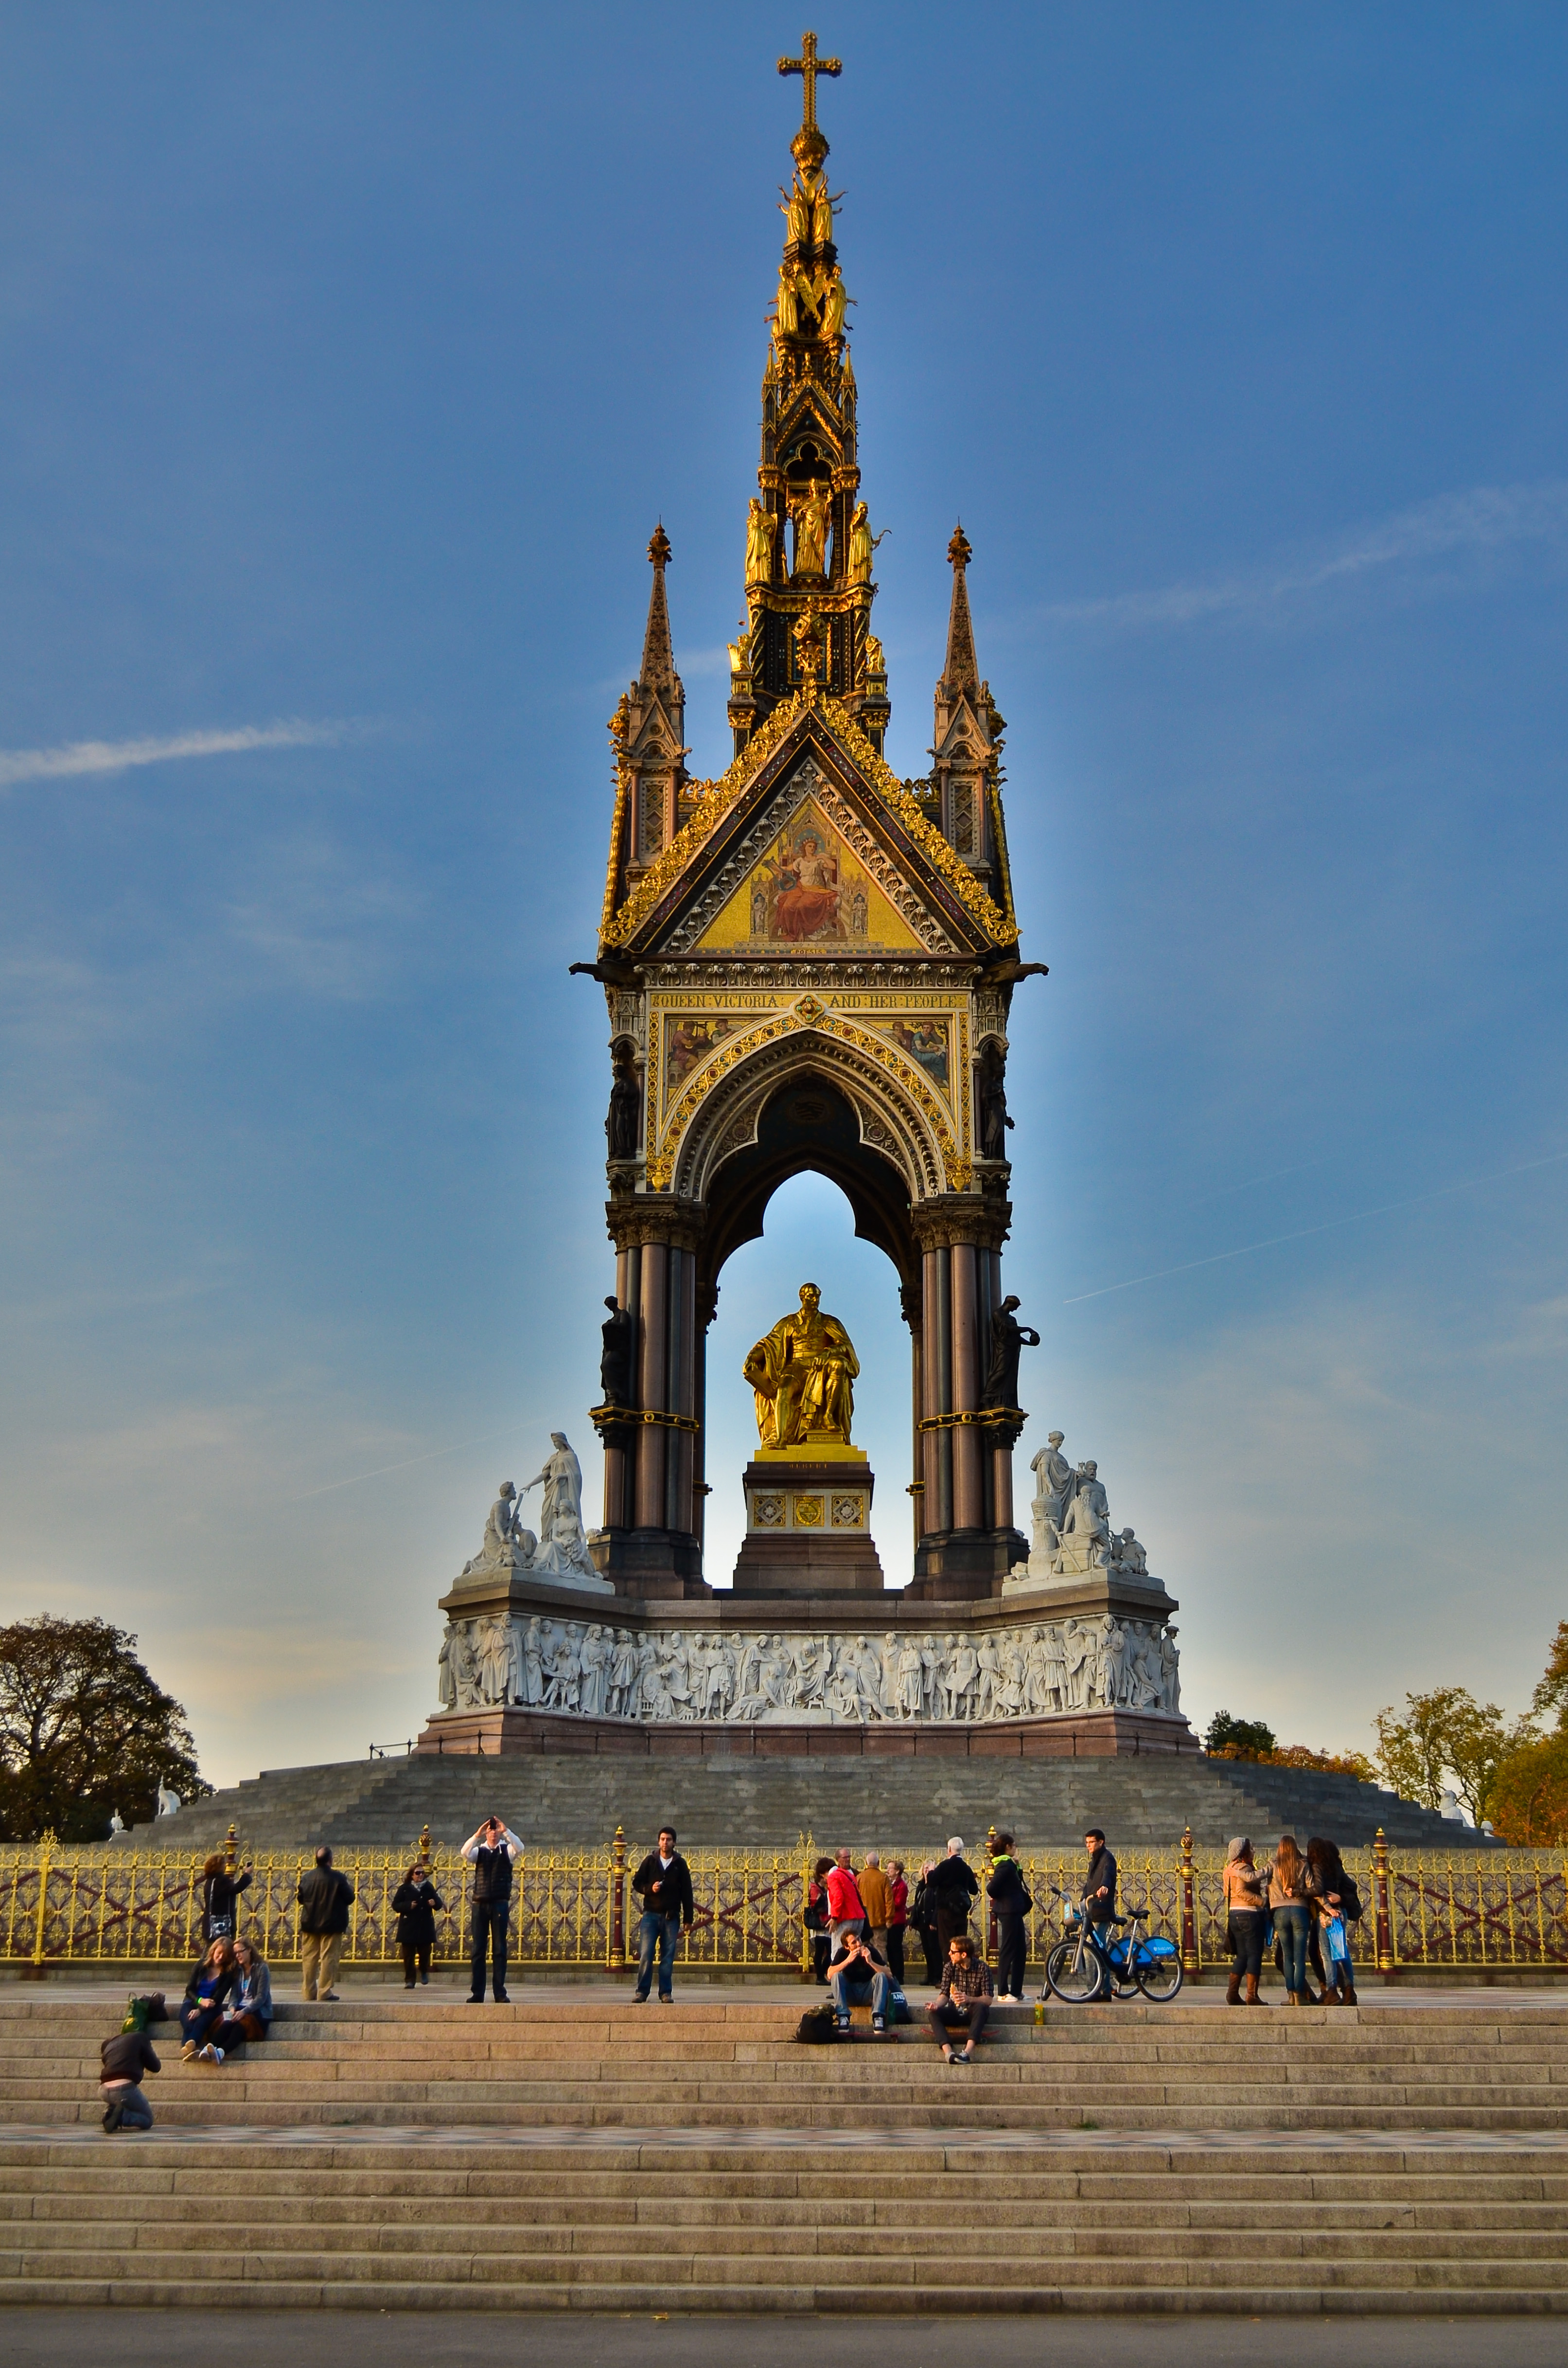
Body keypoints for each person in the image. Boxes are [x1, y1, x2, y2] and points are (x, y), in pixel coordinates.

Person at [631, 1824, 695, 2003]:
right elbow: (637, 1882)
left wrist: (688, 1918)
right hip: (651, 1914)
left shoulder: (679, 1864)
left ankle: (665, 1992)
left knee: (667, 1957)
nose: (665, 1843)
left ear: (674, 1842)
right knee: (646, 1954)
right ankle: (642, 1991)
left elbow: (687, 1892)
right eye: (662, 1839)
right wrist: (649, 1889)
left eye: (668, 1840)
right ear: (659, 1841)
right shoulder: (650, 1861)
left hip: (671, 1916)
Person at [461, 1816, 520, 2004]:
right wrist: (477, 1834)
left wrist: (506, 1831)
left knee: (499, 1950)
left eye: (495, 1831)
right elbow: (465, 1852)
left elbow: (520, 1847)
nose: (493, 1834)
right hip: (480, 1903)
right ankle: (477, 1992)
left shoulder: (506, 1850)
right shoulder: (479, 1852)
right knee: (478, 1950)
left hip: (499, 1903)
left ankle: (499, 1992)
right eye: (490, 1831)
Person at [198, 1937, 273, 2064]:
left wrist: (244, 2012)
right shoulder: (237, 1970)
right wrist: (232, 2008)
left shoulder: (262, 1968)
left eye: (240, 1951)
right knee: (226, 2021)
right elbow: (234, 1995)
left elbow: (261, 1997)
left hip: (258, 2011)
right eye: (235, 1953)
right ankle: (207, 2049)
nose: (238, 1955)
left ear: (249, 1950)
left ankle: (220, 2053)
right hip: (239, 2008)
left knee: (241, 2026)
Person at [297, 1845, 355, 2002]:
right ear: (331, 1860)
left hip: (310, 1923)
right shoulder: (338, 1878)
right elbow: (350, 1898)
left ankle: (308, 1991)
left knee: (309, 1958)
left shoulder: (307, 1877)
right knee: (329, 1957)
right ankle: (324, 1991)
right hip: (332, 1923)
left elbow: (301, 1898)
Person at [1305, 1835, 1359, 2006]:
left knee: (1327, 1954)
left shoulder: (1317, 1867)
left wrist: (1300, 1891)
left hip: (1326, 1914)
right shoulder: (1336, 1867)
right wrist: (1341, 1897)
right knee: (1342, 1951)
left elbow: (1318, 1889)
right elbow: (1353, 1885)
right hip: (1340, 1912)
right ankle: (1349, 1990)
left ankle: (1332, 1989)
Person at [926, 1932, 994, 2064]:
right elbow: (944, 1995)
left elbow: (988, 1999)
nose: (949, 1954)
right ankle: (949, 2053)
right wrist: (936, 2005)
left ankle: (967, 2053)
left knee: (981, 2007)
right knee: (933, 2014)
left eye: (953, 1952)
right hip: (955, 2010)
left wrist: (969, 1999)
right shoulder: (949, 1967)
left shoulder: (982, 1968)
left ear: (964, 1955)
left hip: (973, 2012)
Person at [1265, 1833, 1312, 2007]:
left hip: (1280, 1912)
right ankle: (1300, 1996)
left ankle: (1290, 1994)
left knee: (1287, 1956)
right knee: (1300, 1957)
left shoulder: (1274, 1865)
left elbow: (1260, 1877)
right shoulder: (1303, 1865)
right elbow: (1311, 1887)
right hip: (1300, 1910)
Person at [1223, 1836, 1269, 2008]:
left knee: (1242, 1955)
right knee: (1254, 1954)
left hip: (1234, 1913)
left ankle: (1233, 1993)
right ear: (1243, 1852)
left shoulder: (1229, 1869)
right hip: (1249, 1914)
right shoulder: (1244, 1867)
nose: (1254, 1851)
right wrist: (1261, 1901)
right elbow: (1241, 1891)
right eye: (1251, 1848)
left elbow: (1229, 1893)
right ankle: (1252, 1995)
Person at [987, 1832, 1030, 2003]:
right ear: (1008, 1847)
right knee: (1008, 1950)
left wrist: (1018, 1868)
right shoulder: (1004, 1865)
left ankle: (1017, 1990)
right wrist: (1003, 1897)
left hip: (1014, 1910)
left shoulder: (1009, 1864)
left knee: (1020, 1951)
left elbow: (1015, 1883)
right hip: (1009, 1911)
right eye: (1014, 1846)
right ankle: (1003, 1991)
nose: (1016, 1849)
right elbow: (992, 1888)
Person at [828, 1928, 893, 2035]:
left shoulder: (870, 1951)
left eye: (859, 1940)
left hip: (868, 1992)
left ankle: (878, 2017)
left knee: (881, 1976)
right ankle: (843, 2016)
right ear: (847, 1947)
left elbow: (889, 1974)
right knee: (837, 1976)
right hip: (851, 1993)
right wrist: (848, 1961)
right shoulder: (842, 1953)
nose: (859, 1944)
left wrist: (871, 1962)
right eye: (854, 1943)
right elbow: (830, 1974)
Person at [392, 1862, 446, 1989]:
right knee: (409, 1955)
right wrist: (408, 1906)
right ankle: (410, 1980)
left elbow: (438, 1903)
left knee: (425, 1952)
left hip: (424, 1925)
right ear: (412, 1875)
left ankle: (424, 1971)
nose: (421, 1875)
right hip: (409, 1926)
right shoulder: (405, 1888)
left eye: (422, 1873)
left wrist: (434, 1903)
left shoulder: (428, 1887)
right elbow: (396, 1905)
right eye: (418, 1873)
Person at [179, 1939, 236, 2059]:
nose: (221, 1957)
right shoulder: (201, 1965)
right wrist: (200, 2001)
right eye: (219, 1953)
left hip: (212, 2007)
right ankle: (191, 2047)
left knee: (200, 2023)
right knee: (189, 2022)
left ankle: (187, 2048)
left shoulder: (228, 1974)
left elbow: (218, 1997)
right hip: (192, 2002)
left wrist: (200, 2010)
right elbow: (189, 1989)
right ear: (213, 1950)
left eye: (225, 1956)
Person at [100, 2023, 161, 2132]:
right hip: (124, 2089)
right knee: (147, 2120)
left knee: (122, 2101)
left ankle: (110, 2113)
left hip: (103, 2090)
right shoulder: (140, 2037)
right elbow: (156, 2067)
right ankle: (121, 2117)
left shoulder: (109, 2043)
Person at [928, 1837, 979, 1952]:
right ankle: (961, 1968)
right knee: (961, 1945)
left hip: (946, 1911)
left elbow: (932, 1883)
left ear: (950, 1849)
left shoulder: (945, 1865)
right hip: (961, 1911)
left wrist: (931, 1871)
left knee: (947, 1945)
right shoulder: (966, 1868)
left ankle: (950, 1969)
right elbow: (974, 1890)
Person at [196, 1851, 253, 1945]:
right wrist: (247, 1874)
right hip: (222, 1925)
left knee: (212, 1950)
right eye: (224, 1864)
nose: (226, 1866)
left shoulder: (210, 1881)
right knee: (223, 1951)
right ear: (219, 1866)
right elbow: (237, 1889)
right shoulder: (221, 1881)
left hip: (210, 1925)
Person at [825, 1847, 866, 1950]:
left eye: (849, 1857)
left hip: (846, 1917)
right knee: (856, 1948)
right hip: (859, 1917)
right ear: (838, 1859)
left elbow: (838, 1897)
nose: (848, 1859)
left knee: (839, 1950)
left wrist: (834, 1917)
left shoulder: (834, 1877)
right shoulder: (850, 1875)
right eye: (845, 1857)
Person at [857, 1850, 891, 1959]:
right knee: (881, 1948)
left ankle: (864, 1972)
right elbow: (889, 1901)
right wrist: (889, 1919)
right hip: (880, 1920)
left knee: (861, 1948)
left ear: (866, 1863)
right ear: (879, 1863)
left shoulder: (859, 1878)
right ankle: (881, 1972)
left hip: (863, 1920)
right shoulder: (883, 1878)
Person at [1081, 1829, 1118, 1929]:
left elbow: (1108, 1873)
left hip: (1102, 1910)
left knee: (1093, 1944)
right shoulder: (1094, 1860)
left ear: (1101, 1842)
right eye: (1087, 1843)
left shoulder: (1107, 1858)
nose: (1088, 1845)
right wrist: (1083, 1900)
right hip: (1092, 1909)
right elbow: (1090, 1883)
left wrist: (1104, 1886)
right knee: (1089, 1943)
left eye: (1091, 1842)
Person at [804, 1856, 832, 1985]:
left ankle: (822, 1974)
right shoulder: (816, 1889)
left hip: (826, 1923)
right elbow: (817, 1907)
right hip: (820, 1923)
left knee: (829, 1950)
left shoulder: (824, 1889)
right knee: (821, 1951)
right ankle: (820, 1976)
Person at [885, 1859, 909, 1986]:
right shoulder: (890, 1883)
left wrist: (887, 1904)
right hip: (889, 1920)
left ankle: (899, 1975)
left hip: (897, 1920)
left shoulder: (901, 1886)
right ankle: (893, 1973)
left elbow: (898, 1903)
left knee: (896, 1948)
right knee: (889, 1948)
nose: (888, 1871)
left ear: (898, 1871)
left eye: (891, 1868)